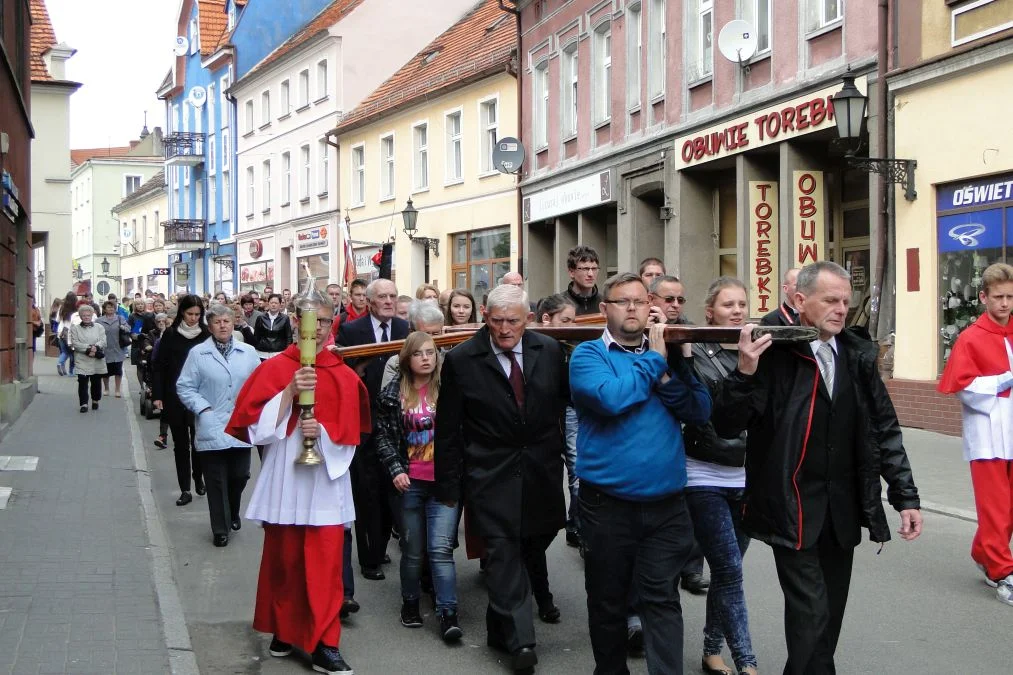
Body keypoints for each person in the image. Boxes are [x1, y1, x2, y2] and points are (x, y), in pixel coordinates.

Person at [714, 261, 922, 675]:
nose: (841, 309)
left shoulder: (856, 355)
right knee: (811, 615)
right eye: (830, 300)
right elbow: (727, 423)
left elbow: (884, 430)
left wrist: (905, 496)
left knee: (827, 619)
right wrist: (744, 374)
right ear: (799, 301)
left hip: (841, 511)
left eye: (846, 301)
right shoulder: (771, 352)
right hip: (791, 508)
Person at [570, 272, 711, 675]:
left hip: (666, 506)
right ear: (604, 309)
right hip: (606, 505)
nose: (632, 309)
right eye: (622, 302)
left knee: (661, 598)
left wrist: (676, 364)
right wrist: (656, 361)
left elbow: (699, 411)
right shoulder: (588, 356)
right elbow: (612, 399)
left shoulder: (666, 355)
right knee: (608, 600)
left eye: (639, 301)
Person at [227, 288, 366, 675]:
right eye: (310, 320)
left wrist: (321, 430)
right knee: (285, 561)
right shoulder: (273, 368)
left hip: (325, 479)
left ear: (331, 322)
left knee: (324, 564)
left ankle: (325, 643)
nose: (317, 329)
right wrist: (288, 393)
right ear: (293, 321)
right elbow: (252, 427)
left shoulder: (341, 373)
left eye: (324, 320)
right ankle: (285, 630)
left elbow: (353, 435)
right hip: (286, 476)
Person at [435, 284, 569, 674]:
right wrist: (448, 485)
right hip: (489, 471)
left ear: (528, 319)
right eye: (497, 321)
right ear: (484, 315)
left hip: (541, 470)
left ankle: (499, 623)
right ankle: (522, 642)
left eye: (513, 321)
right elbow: (448, 427)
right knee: (502, 549)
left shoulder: (548, 351)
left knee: (534, 542)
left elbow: (564, 404)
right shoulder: (462, 359)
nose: (505, 329)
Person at [682, 277, 758, 675]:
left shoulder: (759, 349)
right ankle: (748, 662)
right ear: (709, 311)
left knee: (728, 573)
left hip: (746, 476)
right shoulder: (697, 351)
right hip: (704, 474)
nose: (738, 311)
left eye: (742, 303)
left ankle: (712, 651)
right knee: (728, 570)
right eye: (728, 304)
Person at [375, 331, 463, 643]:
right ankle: (410, 602)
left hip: (443, 484)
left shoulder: (450, 390)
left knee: (440, 551)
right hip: (408, 483)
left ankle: (447, 612)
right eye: (418, 353)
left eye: (431, 352)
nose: (426, 358)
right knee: (413, 551)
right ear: (407, 359)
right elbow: (382, 437)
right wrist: (396, 470)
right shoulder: (391, 394)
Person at [937, 262, 1013, 604]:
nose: (1005, 303)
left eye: (1010, 297)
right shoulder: (969, 338)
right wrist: (1003, 381)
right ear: (983, 297)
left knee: (1008, 507)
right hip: (989, 434)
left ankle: (985, 551)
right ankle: (1003, 572)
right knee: (995, 506)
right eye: (998, 297)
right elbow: (963, 387)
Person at [337, 278, 410, 580]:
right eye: (383, 297)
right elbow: (344, 373)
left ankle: (379, 547)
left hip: (395, 423)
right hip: (364, 422)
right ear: (369, 301)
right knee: (366, 493)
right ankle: (369, 559)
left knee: (388, 489)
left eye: (393, 295)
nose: (389, 301)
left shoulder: (406, 330)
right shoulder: (353, 331)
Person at [177, 304, 261, 547]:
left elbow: (259, 383)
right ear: (210, 326)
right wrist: (202, 407)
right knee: (215, 480)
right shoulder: (198, 353)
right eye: (217, 322)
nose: (223, 325)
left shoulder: (248, 352)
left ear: (233, 323)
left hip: (240, 423)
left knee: (240, 475)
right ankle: (220, 529)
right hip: (211, 422)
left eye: (226, 321)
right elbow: (185, 386)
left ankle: (233, 510)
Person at [152, 294, 211, 507]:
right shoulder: (170, 334)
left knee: (199, 441)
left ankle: (198, 476)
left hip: (201, 396)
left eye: (197, 314)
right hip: (174, 395)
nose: (193, 318)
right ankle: (185, 488)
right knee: (180, 444)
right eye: (189, 314)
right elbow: (159, 366)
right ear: (181, 313)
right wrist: (157, 395)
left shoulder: (206, 334)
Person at [536, 294, 579, 552]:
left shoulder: (573, 348)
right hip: (548, 421)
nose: (571, 327)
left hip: (571, 414)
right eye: (566, 321)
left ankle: (577, 524)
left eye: (574, 321)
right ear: (546, 319)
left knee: (577, 471)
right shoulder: (535, 349)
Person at [382, 300, 445, 390]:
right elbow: (388, 400)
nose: (430, 340)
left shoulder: (449, 358)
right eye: (425, 334)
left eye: (435, 334)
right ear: (411, 331)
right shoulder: (395, 363)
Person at [69, 304, 108, 413]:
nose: (86, 317)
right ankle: (84, 404)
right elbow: (75, 343)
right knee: (82, 382)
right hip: (82, 359)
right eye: (84, 315)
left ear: (92, 316)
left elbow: (103, 341)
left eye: (88, 315)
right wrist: (89, 349)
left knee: (96, 382)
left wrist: (95, 348)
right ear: (80, 316)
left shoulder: (99, 327)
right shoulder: (75, 328)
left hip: (96, 359)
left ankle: (95, 400)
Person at [146, 313, 171, 449]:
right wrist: (157, 393)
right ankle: (162, 436)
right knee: (165, 411)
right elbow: (154, 365)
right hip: (166, 382)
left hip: (184, 384)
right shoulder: (159, 342)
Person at [96, 300, 130, 398]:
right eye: (108, 307)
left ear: (115, 309)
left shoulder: (120, 318)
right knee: (105, 371)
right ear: (104, 309)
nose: (111, 309)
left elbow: (128, 329)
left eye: (112, 307)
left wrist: (123, 327)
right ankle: (106, 388)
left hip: (118, 348)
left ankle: (117, 390)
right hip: (104, 349)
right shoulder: (99, 320)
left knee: (118, 370)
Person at [565, 245, 604, 316]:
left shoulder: (605, 303)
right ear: (571, 272)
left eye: (594, 269)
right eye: (585, 269)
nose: (590, 274)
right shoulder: (559, 304)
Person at [253, 294, 293, 360]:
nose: (273, 305)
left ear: (280, 304)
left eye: (276, 303)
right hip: (262, 353)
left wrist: (287, 352)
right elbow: (256, 335)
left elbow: (288, 337)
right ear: (268, 303)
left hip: (279, 352)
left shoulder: (285, 318)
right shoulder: (260, 318)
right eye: (271, 303)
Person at [56, 292, 77, 377]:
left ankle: (60, 363)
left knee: (64, 351)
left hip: (61, 332)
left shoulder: (62, 307)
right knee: (72, 353)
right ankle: (71, 372)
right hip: (71, 332)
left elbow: (57, 319)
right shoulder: (76, 308)